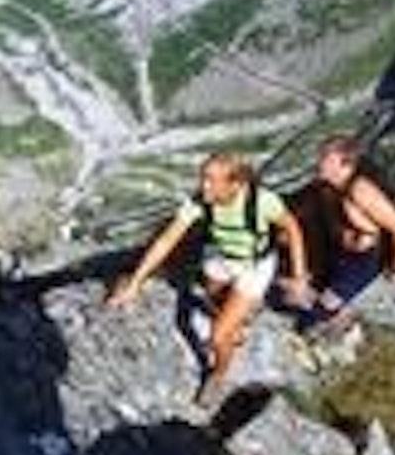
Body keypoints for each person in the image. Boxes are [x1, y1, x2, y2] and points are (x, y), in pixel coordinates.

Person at [106, 152, 310, 406]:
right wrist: (135, 283)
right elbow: (167, 239)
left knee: (218, 336)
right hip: (221, 256)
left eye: (212, 180)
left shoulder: (263, 201)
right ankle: (238, 317)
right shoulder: (200, 201)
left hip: (254, 265)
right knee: (214, 296)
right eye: (203, 178)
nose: (204, 186)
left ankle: (218, 375)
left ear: (235, 184)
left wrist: (299, 276)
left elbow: (292, 228)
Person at [300, 135, 395, 335]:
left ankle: (338, 321)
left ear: (344, 162)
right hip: (341, 257)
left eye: (325, 157)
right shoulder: (330, 188)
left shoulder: (360, 190)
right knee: (291, 295)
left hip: (363, 263)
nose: (319, 161)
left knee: (315, 317)